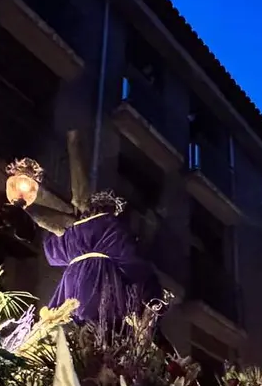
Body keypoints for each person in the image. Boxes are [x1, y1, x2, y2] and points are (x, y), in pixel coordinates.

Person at [26, 131, 167, 329]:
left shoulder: (76, 242)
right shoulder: (108, 235)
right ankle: (73, 143)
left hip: (78, 293)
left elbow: (54, 249)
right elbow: (135, 264)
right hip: (101, 298)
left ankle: (73, 144)